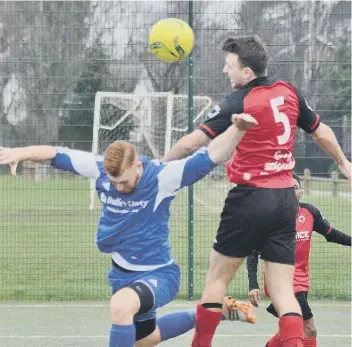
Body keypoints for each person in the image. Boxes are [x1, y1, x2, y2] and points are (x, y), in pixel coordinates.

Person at [0, 114, 257, 347]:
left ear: (137, 166)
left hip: (158, 274)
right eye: (114, 183)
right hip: (121, 275)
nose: (119, 188)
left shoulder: (162, 178)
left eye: (123, 181)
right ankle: (216, 311)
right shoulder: (100, 169)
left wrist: (237, 129)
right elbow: (55, 154)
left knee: (121, 306)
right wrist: (19, 152)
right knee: (143, 340)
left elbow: (210, 155)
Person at [162, 35, 352, 347]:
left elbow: (193, 141)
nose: (225, 70)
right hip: (285, 200)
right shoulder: (288, 91)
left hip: (249, 198)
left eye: (229, 65)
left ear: (247, 72)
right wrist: (344, 163)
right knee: (282, 291)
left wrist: (160, 167)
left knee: (217, 282)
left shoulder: (240, 101)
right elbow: (321, 131)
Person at [247, 173, 351, 347]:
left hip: (301, 281)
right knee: (309, 329)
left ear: (301, 192)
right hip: (280, 282)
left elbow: (331, 234)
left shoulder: (310, 212)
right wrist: (253, 285)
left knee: (290, 329)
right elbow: (252, 252)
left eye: (294, 187)